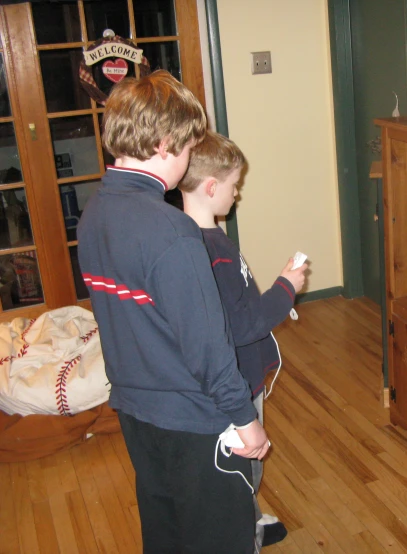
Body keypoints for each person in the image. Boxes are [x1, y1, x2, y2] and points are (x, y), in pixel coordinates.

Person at [77, 70, 268, 554]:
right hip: (194, 422)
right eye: (186, 145)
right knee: (219, 538)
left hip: (136, 412)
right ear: (164, 144)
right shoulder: (172, 233)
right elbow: (208, 347)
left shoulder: (94, 213)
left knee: (166, 531)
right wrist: (247, 422)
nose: (188, 157)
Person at [177, 130, 307, 549]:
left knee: (236, 466)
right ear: (212, 187)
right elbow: (243, 325)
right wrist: (286, 287)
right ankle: (243, 531)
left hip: (225, 381)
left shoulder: (194, 238)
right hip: (235, 383)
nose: (238, 194)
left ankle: (247, 514)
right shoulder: (213, 251)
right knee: (243, 467)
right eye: (235, 186)